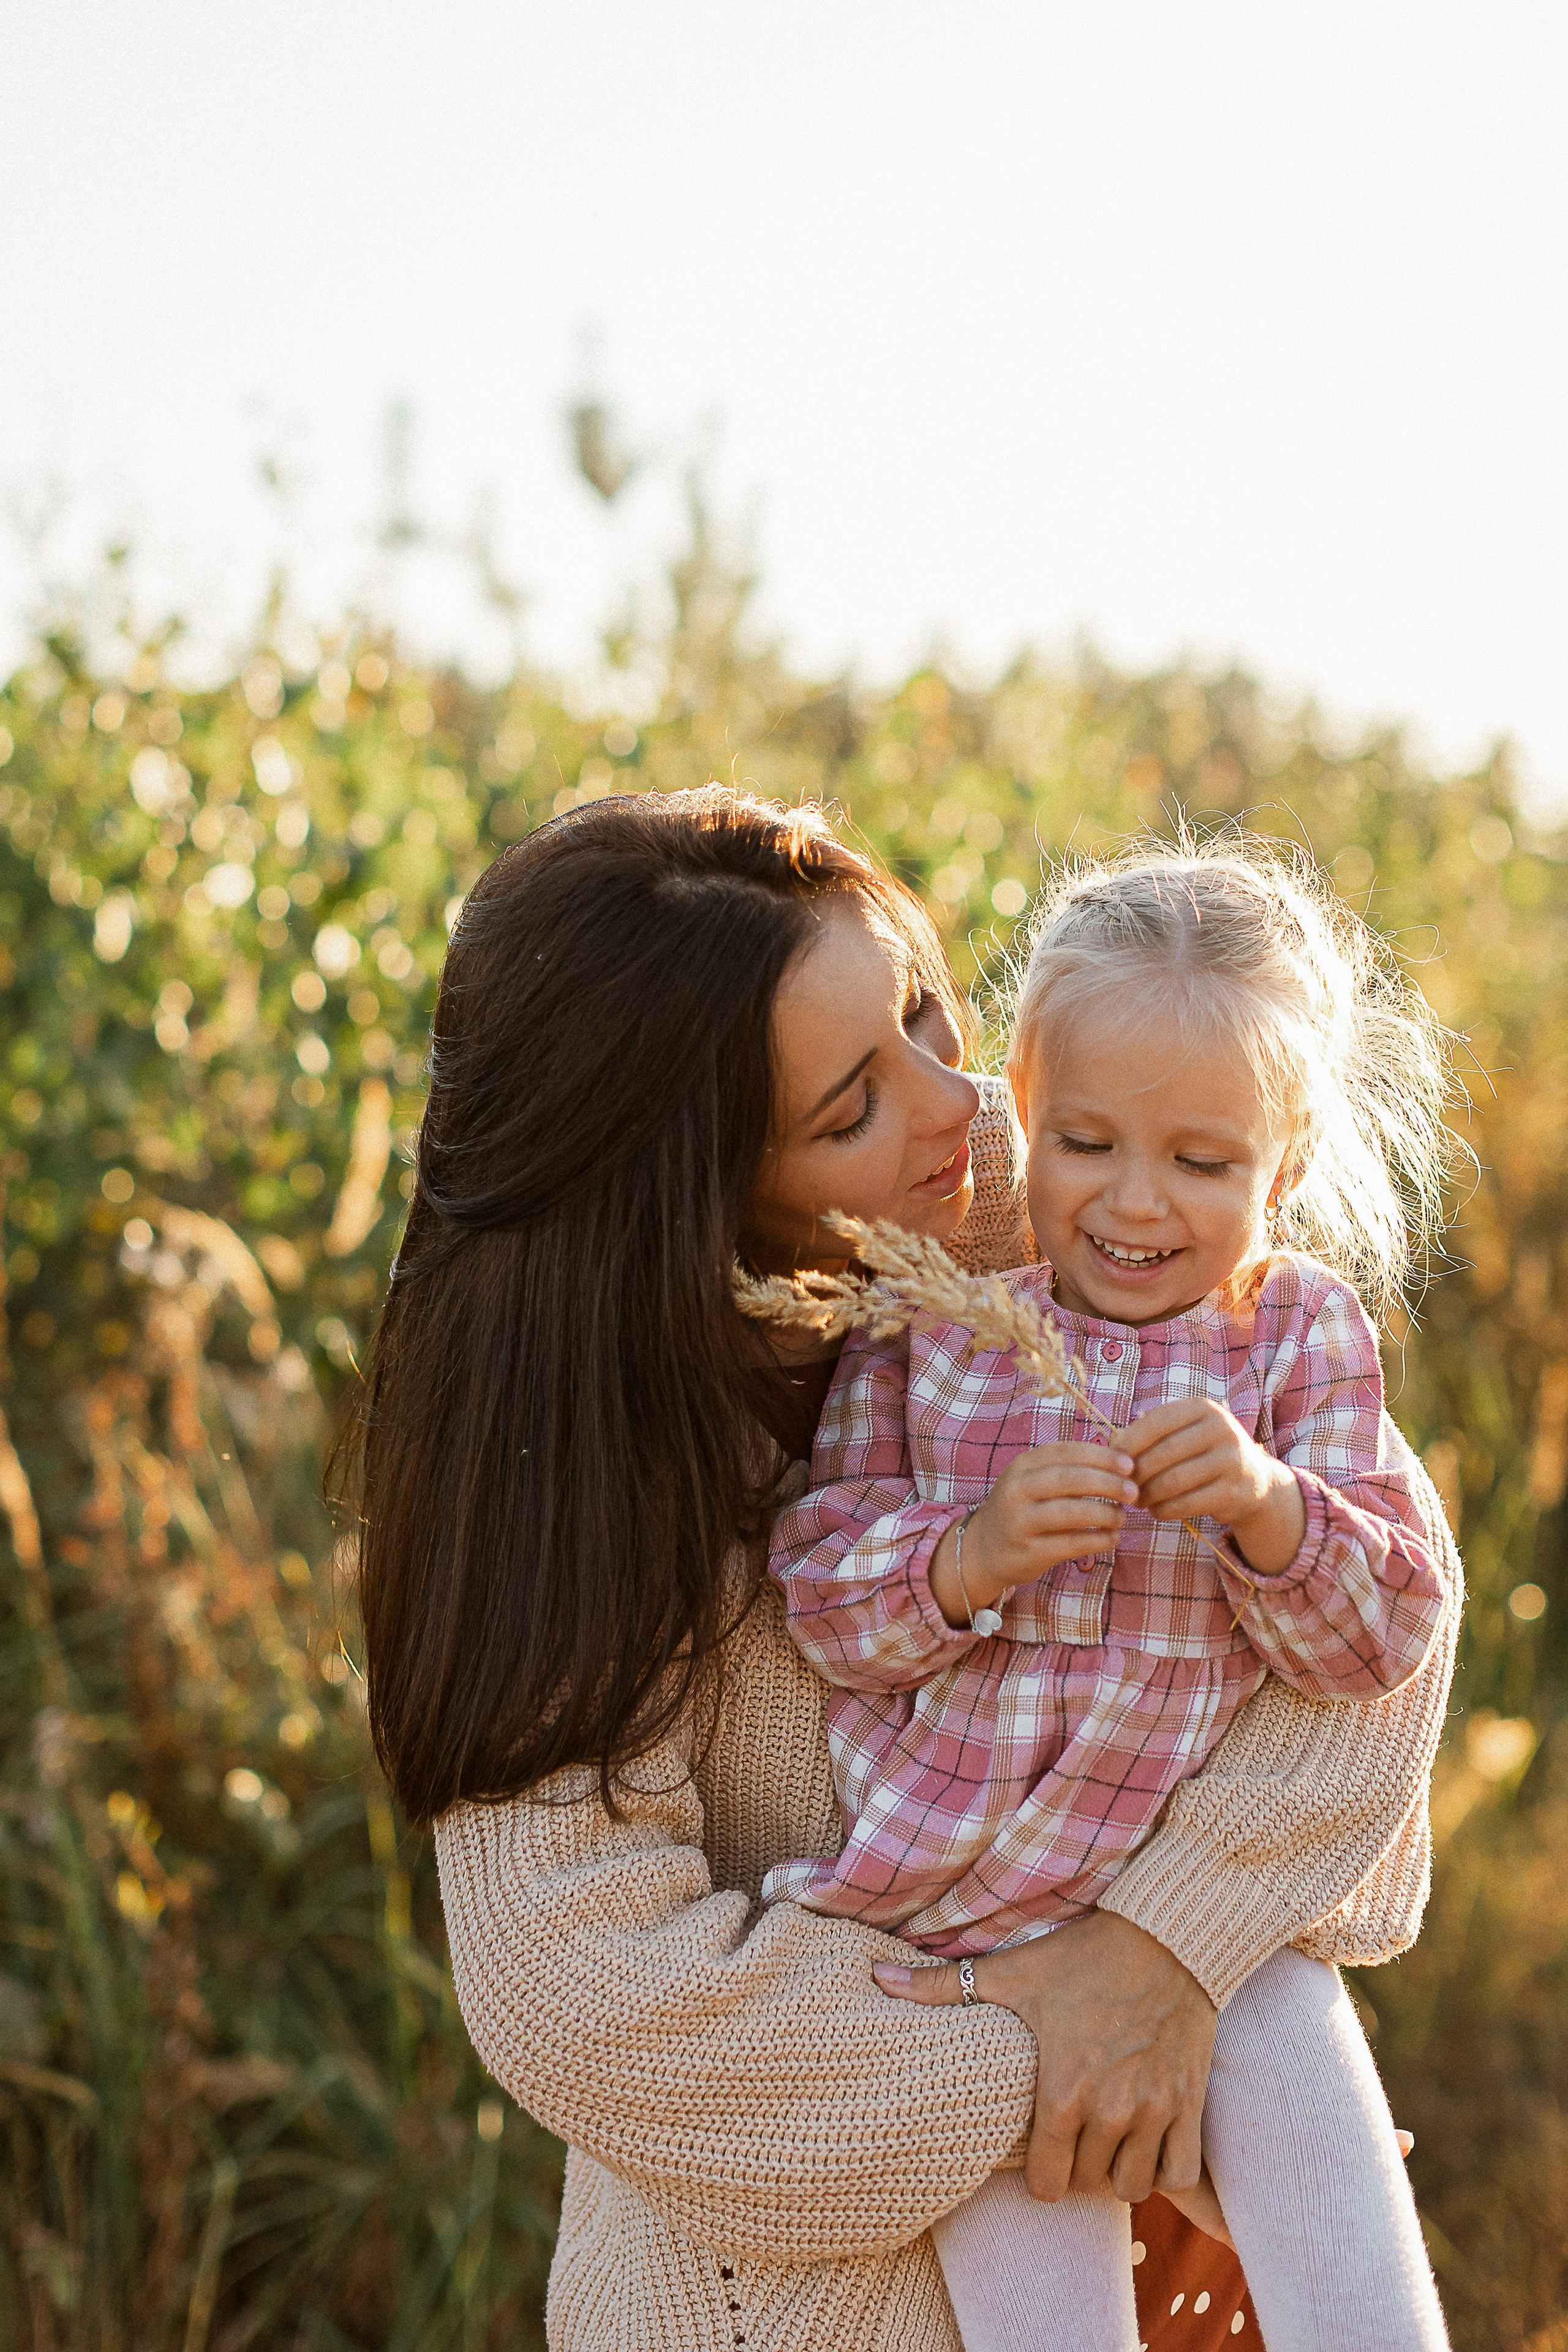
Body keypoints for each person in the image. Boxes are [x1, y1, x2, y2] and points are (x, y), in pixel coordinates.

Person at [344, 789, 1460, 2352]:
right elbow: (581, 1989)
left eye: (927, 1014)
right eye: (851, 1105)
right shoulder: (563, 1476)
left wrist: (1165, 1952)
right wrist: (1063, 2049)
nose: (956, 1107)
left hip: (1170, 2239)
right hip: (817, 2304)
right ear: (693, 1184)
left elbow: (1383, 1613)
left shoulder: (1053, 1190)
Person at [765, 843, 1456, 2350]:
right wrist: (969, 1556)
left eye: (1201, 1165)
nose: (1133, 1203)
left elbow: (1382, 1641)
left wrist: (1272, 1517)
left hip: (1210, 1934)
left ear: (1280, 1168)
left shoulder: (1294, 1344)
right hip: (958, 1937)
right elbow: (820, 1596)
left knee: (1347, 2271)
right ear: (1021, 1109)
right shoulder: (932, 1343)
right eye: (1083, 1142)